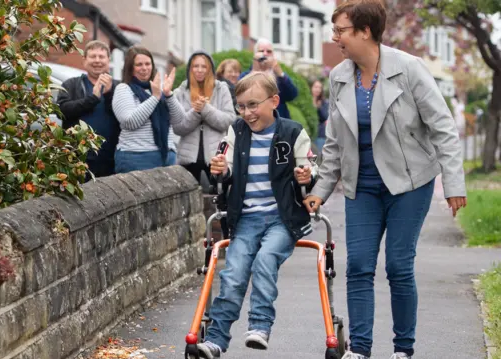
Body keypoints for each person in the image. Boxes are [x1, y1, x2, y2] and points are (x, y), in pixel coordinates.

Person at [304, 1, 467, 358]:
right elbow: (334, 142)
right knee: (359, 265)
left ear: (365, 31)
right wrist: (320, 190)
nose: (336, 38)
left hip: (408, 183)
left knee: (397, 264)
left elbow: (443, 129)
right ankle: (360, 349)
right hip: (361, 184)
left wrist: (454, 185)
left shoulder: (408, 69)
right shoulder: (338, 76)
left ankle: (402, 350)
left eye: (341, 31)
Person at [197, 72, 318, 359]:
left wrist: (305, 175)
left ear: (274, 101)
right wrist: (219, 169)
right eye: (241, 106)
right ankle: (216, 338)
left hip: (282, 219)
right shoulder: (236, 131)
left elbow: (311, 168)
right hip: (246, 219)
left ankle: (260, 326)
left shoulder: (293, 132)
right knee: (234, 274)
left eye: (253, 104)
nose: (247, 113)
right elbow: (224, 165)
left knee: (265, 261)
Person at [111, 46, 185, 173]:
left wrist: (168, 94)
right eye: (139, 64)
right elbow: (130, 121)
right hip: (136, 158)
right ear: (130, 67)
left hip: (166, 156)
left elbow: (180, 121)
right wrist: (155, 98)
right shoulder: (123, 89)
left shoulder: (158, 90)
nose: (144, 68)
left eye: (147, 64)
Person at [56, 40, 119, 181]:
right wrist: (93, 99)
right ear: (84, 60)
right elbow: (62, 111)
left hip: (110, 160)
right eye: (93, 56)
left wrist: (109, 94)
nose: (97, 61)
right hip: (77, 157)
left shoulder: (119, 86)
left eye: (101, 57)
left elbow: (124, 117)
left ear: (108, 60)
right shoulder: (71, 85)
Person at [173, 51, 236, 184]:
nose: (200, 70)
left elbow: (229, 121)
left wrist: (206, 109)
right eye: (196, 66)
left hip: (216, 156)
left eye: (204, 66)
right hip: (187, 158)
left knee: (219, 198)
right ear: (190, 69)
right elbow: (178, 128)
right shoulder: (180, 92)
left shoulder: (221, 89)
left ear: (210, 69)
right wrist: (195, 112)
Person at [239, 38, 298, 119]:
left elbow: (292, 95)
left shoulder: (278, 76)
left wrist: (281, 74)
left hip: (279, 122)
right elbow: (240, 95)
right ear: (255, 54)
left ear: (273, 55)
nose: (265, 54)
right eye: (261, 51)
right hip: (254, 120)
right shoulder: (245, 75)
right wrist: (254, 70)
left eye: (269, 51)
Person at [311, 79, 329, 155]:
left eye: (319, 87)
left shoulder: (324, 102)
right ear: (311, 88)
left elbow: (325, 116)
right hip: (308, 133)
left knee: (318, 156)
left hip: (320, 134)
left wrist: (319, 108)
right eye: (315, 87)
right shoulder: (307, 100)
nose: (317, 89)